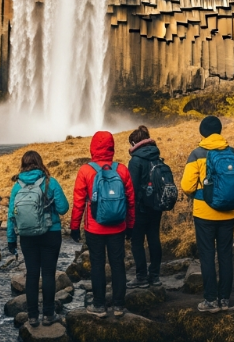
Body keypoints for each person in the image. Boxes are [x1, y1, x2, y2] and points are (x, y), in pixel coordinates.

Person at [180, 116, 234, 313]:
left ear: (202, 132)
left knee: (207, 255)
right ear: (220, 131)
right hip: (229, 214)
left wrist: (201, 194)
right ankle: (225, 300)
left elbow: (186, 186)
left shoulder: (197, 154)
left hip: (204, 214)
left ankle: (210, 301)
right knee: (226, 255)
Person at [70, 131, 135, 318]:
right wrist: (130, 226)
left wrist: (74, 227)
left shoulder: (85, 171)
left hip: (94, 227)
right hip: (118, 227)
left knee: (97, 265)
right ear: (112, 147)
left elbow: (79, 202)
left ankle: (98, 305)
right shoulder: (121, 169)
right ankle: (119, 305)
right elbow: (131, 201)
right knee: (117, 265)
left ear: (92, 147)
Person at [7, 151, 69, 327]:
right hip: (51, 234)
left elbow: (11, 215)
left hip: (27, 237)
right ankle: (49, 315)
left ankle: (32, 316)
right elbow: (64, 208)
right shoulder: (50, 182)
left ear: (23, 164)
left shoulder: (17, 186)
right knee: (48, 274)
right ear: (40, 163)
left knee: (32, 275)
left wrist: (11, 240)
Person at [126, 126, 164, 289]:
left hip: (140, 207)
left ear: (135, 142)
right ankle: (154, 276)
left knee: (137, 242)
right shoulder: (157, 156)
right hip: (157, 205)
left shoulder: (135, 160)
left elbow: (131, 188)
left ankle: (141, 276)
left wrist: (129, 210)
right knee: (154, 238)